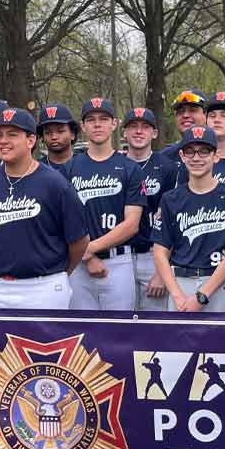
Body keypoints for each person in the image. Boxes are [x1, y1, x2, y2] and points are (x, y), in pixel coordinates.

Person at [0, 108, 89, 309]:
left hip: (43, 287)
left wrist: (60, 272)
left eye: (12, 135)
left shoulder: (54, 183)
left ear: (31, 140)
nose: (3, 141)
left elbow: (79, 241)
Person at [152, 126, 225, 313]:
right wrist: (177, 295)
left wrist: (202, 295)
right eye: (190, 151)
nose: (196, 158)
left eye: (204, 151)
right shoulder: (170, 199)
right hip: (180, 282)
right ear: (181, 155)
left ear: (215, 156)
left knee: (220, 334)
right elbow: (160, 251)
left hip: (217, 283)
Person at [64, 98, 145, 310]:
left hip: (118, 262)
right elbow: (64, 221)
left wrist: (89, 250)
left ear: (114, 124)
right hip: (78, 266)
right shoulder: (69, 168)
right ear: (83, 126)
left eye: (103, 119)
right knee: (81, 328)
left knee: (119, 328)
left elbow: (132, 224)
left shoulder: (130, 168)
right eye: (91, 120)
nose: (97, 124)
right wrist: (87, 257)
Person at [122, 107, 176, 311]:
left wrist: (162, 272)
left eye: (145, 127)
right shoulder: (115, 166)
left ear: (154, 133)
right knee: (121, 323)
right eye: (133, 126)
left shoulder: (168, 167)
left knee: (155, 323)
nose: (138, 131)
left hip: (153, 255)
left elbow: (174, 220)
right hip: (121, 255)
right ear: (124, 132)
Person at [160, 89, 207, 186]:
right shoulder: (164, 157)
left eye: (192, 110)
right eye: (180, 111)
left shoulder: (219, 155)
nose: (185, 115)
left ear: (206, 115)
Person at [37, 104, 80, 177]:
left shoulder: (86, 164)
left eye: (60, 131)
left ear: (72, 134)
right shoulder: (35, 170)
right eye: (47, 132)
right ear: (42, 137)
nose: (54, 137)